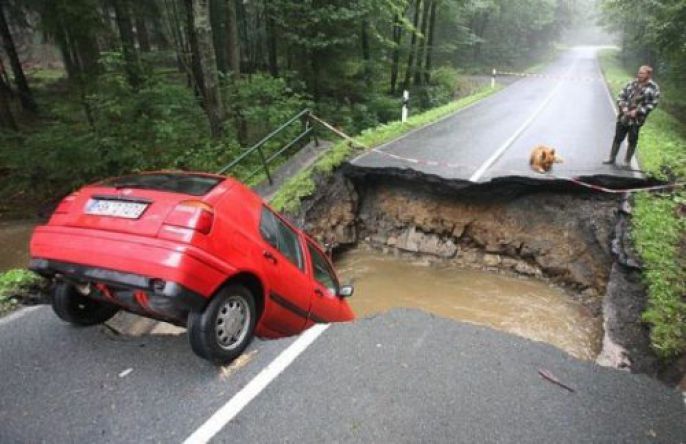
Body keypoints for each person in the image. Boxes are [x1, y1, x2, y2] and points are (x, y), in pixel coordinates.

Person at [603, 65, 660, 166]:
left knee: (632, 139)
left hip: (637, 119)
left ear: (648, 74)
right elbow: (621, 96)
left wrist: (638, 111)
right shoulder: (631, 83)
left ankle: (627, 161)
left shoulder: (654, 87)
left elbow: (653, 104)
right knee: (618, 137)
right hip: (624, 116)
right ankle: (611, 158)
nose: (639, 75)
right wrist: (623, 107)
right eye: (639, 72)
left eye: (642, 73)